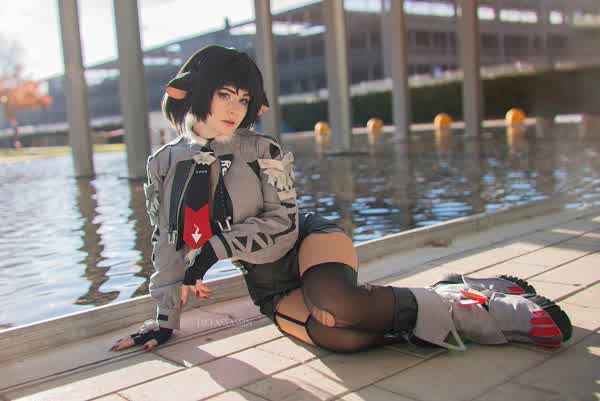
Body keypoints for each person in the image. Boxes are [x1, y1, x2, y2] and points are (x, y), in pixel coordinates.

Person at [110, 46, 572, 354]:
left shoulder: (263, 149)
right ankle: (451, 291)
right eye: (225, 94)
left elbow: (283, 225)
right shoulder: (164, 164)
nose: (235, 107)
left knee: (340, 303)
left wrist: (214, 249)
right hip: (268, 284)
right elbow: (167, 242)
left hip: (307, 243)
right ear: (194, 92)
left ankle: (483, 315)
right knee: (343, 339)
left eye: (243, 98)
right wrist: (164, 320)